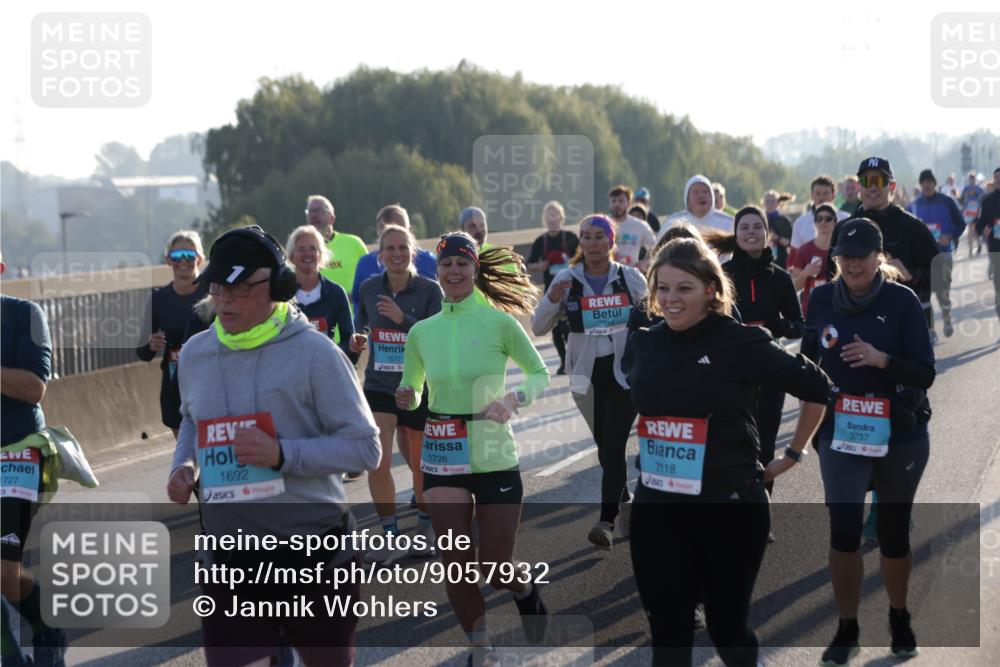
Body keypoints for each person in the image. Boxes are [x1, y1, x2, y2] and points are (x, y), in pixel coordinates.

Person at [166, 225, 381, 667]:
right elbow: (191, 417)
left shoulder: (316, 355)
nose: (224, 300)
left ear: (277, 286)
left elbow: (365, 448)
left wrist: (283, 455)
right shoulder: (195, 354)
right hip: (230, 557)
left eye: (240, 288)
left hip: (315, 554)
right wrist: (182, 463)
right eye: (218, 287)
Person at [624, 238, 831, 667]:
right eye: (662, 288)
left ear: (711, 290)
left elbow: (817, 389)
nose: (671, 299)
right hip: (658, 508)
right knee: (669, 635)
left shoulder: (738, 342)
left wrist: (793, 455)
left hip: (730, 508)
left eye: (684, 288)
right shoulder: (644, 343)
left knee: (726, 629)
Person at [395, 232, 550, 667]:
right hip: (443, 453)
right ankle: (482, 649)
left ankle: (523, 588)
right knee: (457, 566)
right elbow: (413, 383)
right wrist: (406, 393)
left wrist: (513, 399)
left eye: (462, 263)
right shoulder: (422, 332)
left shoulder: (500, 323)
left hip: (494, 454)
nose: (454, 271)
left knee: (496, 568)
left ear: (475, 270)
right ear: (437, 271)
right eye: (446, 264)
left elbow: (538, 373)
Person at [802, 219, 934, 665]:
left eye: (862, 254)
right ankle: (847, 628)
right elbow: (805, 362)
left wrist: (882, 361)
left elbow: (925, 373)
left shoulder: (902, 301)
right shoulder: (820, 299)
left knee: (893, 535)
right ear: (835, 258)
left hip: (900, 431)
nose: (853, 263)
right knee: (844, 533)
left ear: (880, 256)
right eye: (845, 255)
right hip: (842, 431)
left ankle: (899, 617)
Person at [532, 215, 648, 549]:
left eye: (600, 236)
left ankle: (606, 522)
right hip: (585, 377)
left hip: (624, 375)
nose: (593, 243)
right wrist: (553, 298)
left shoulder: (630, 279)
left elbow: (654, 315)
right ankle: (624, 498)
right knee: (605, 449)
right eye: (587, 237)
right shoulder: (567, 279)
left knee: (613, 446)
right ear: (579, 243)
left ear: (611, 241)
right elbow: (538, 327)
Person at [350, 224, 444, 565]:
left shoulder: (431, 291)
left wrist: (402, 318)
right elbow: (362, 322)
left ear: (413, 252)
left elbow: (434, 339)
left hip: (416, 386)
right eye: (389, 248)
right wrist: (359, 338)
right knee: (378, 460)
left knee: (419, 463)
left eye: (402, 247)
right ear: (380, 255)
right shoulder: (369, 287)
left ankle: (424, 529)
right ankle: (390, 535)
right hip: (378, 385)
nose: (396, 253)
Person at [1, 256, 67, 667]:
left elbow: (34, 388)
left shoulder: (24, 314)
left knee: (5, 574)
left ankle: (46, 631)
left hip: (18, 451)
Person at [722, 206, 804, 504]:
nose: (751, 232)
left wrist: (775, 325)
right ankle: (736, 503)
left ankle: (761, 509)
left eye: (757, 227)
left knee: (766, 444)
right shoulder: (723, 276)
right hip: (731, 373)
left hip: (771, 371)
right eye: (745, 227)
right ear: (736, 234)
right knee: (735, 442)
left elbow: (798, 326)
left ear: (767, 234)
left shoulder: (781, 278)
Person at [829, 158, 940, 343]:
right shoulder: (844, 228)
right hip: (855, 325)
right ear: (859, 186)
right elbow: (830, 276)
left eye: (879, 181)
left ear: (892, 186)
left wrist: (911, 276)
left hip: (901, 325)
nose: (873, 187)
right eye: (866, 181)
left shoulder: (912, 226)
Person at [135, 231, 208, 437]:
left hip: (208, 381)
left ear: (200, 259)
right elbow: (142, 353)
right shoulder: (159, 299)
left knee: (207, 452)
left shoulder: (212, 293)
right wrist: (151, 345)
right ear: (168, 260)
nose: (183, 261)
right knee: (185, 453)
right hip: (174, 385)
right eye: (176, 256)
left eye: (189, 255)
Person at [908, 169, 965, 338]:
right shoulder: (914, 205)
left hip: (943, 254)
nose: (926, 184)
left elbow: (961, 223)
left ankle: (947, 318)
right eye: (923, 181)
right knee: (923, 295)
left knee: (942, 293)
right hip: (922, 258)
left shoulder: (947, 201)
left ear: (934, 183)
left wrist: (950, 236)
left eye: (929, 181)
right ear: (920, 184)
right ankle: (931, 330)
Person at [286, 225, 355, 360]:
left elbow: (349, 342)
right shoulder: (281, 294)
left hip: (326, 372)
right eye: (301, 249)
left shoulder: (336, 293)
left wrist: (329, 354)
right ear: (292, 256)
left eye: (313, 248)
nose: (307, 254)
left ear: (321, 255)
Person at [350, 204, 437, 311]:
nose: (393, 235)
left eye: (399, 229)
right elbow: (358, 305)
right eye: (386, 231)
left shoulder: (430, 261)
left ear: (409, 231)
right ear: (379, 234)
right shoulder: (365, 263)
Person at [526, 201, 580, 375]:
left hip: (573, 289)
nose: (552, 218)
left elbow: (582, 259)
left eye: (555, 214)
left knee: (569, 327)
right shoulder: (540, 241)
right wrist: (539, 266)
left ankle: (573, 359)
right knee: (556, 329)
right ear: (545, 219)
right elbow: (529, 265)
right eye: (549, 215)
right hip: (551, 290)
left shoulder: (571, 238)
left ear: (562, 218)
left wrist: (569, 262)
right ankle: (564, 360)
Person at [306, 195, 369, 301]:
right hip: (319, 316)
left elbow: (371, 280)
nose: (313, 215)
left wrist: (348, 297)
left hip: (355, 315)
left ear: (332, 218)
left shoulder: (354, 243)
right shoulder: (303, 250)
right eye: (310, 211)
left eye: (318, 210)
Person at [790, 203, 836, 315]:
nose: (823, 222)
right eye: (819, 219)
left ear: (835, 222)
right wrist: (805, 273)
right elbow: (794, 287)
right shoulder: (804, 250)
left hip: (837, 309)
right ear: (814, 223)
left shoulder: (840, 249)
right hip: (811, 311)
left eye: (828, 219)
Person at [790, 175, 850, 261]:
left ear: (833, 195)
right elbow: (793, 259)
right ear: (811, 196)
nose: (822, 197)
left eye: (826, 193)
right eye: (818, 193)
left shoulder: (846, 219)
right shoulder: (800, 223)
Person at [658, 175, 734, 236]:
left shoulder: (729, 222)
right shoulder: (672, 222)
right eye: (696, 192)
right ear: (687, 199)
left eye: (705, 192)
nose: (701, 196)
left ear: (712, 197)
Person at [974, 167, 1000, 329]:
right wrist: (983, 230)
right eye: (996, 176)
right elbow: (979, 225)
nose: (999, 179)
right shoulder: (987, 200)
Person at [608, 185, 656, 271]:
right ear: (609, 204)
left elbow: (656, 247)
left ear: (629, 203)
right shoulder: (603, 225)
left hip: (632, 276)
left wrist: (646, 262)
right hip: (607, 275)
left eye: (621, 201)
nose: (617, 204)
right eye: (613, 201)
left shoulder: (640, 225)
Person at [762, 190, 794, 269]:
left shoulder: (784, 220)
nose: (770, 203)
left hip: (780, 261)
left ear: (778, 203)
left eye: (773, 201)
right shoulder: (759, 219)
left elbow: (789, 242)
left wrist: (776, 238)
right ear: (763, 203)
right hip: (762, 259)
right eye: (767, 201)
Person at [959, 171, 986, 257]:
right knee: (970, 229)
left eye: (973, 179)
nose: (971, 180)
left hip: (976, 210)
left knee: (974, 229)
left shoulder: (979, 188)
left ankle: (978, 244)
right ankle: (970, 248)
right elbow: (961, 198)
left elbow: (984, 197)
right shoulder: (966, 188)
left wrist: (976, 195)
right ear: (968, 179)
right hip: (967, 211)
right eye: (970, 179)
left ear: (975, 179)